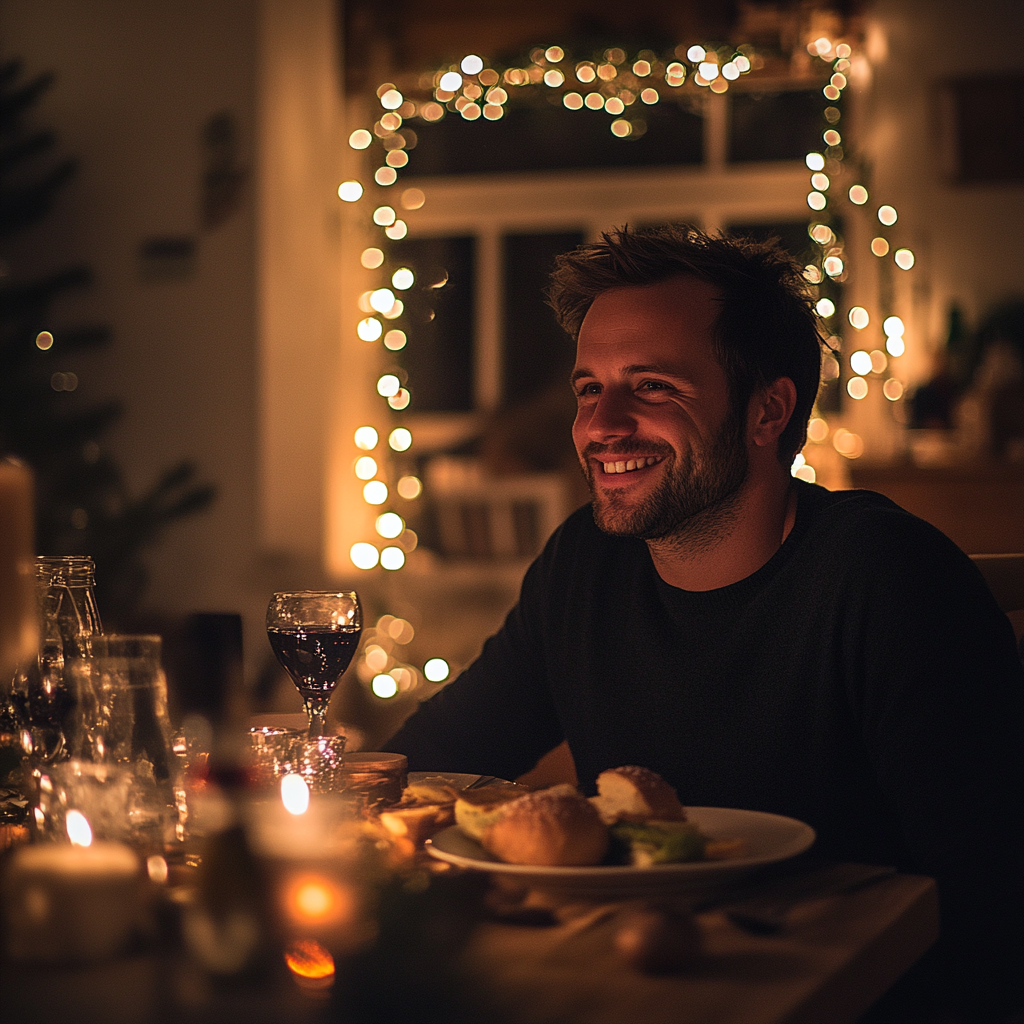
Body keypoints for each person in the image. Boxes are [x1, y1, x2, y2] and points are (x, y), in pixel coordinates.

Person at [387, 225, 1023, 1019]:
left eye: (651, 387)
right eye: (590, 388)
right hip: (633, 985)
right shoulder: (583, 562)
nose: (601, 426)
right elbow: (431, 762)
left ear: (768, 412)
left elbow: (991, 907)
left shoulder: (887, 579)